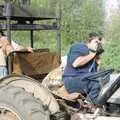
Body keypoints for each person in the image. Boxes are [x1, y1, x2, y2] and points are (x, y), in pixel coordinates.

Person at [62, 32, 104, 106]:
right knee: (96, 82)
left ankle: (89, 104)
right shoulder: (79, 47)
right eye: (96, 42)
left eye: (100, 43)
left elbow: (95, 74)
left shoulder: (93, 55)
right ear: (89, 41)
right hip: (72, 79)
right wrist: (93, 54)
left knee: (103, 79)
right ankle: (89, 106)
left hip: (83, 80)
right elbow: (75, 63)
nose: (98, 45)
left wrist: (98, 61)